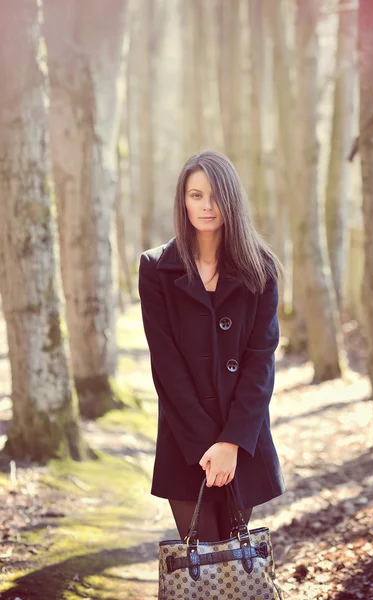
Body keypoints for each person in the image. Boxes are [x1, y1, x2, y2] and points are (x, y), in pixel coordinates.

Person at [138, 150, 285, 543]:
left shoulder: (261, 268)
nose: (206, 206)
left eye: (215, 196)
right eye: (195, 195)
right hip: (186, 441)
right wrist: (209, 446)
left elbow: (260, 361)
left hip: (242, 439)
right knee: (199, 565)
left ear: (231, 200)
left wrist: (232, 442)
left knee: (234, 564)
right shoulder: (156, 269)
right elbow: (165, 365)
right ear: (182, 199)